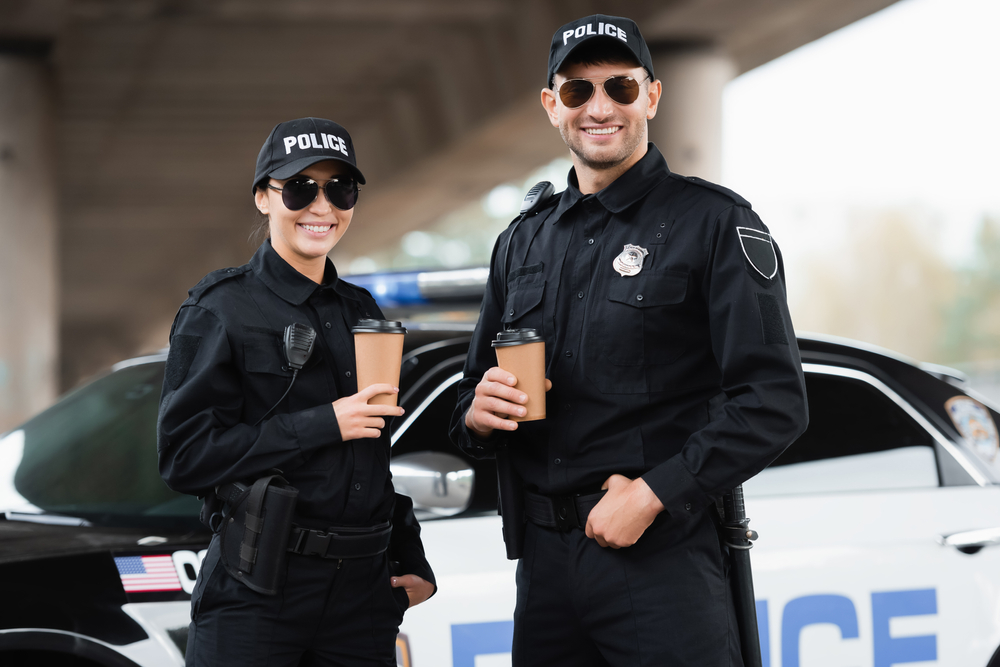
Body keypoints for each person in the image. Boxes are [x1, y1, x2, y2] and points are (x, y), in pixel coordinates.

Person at [449, 14, 808, 666]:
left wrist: (652, 493)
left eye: (619, 86)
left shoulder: (714, 223)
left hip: (661, 557)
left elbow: (774, 399)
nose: (600, 107)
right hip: (545, 567)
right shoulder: (520, 242)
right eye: (578, 90)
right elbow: (473, 398)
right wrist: (476, 414)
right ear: (551, 106)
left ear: (652, 96)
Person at [159, 117, 435, 667]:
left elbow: (370, 456)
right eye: (301, 188)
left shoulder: (363, 310)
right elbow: (184, 458)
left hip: (362, 599)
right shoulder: (218, 308)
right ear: (264, 197)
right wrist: (322, 423)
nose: (322, 206)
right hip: (257, 591)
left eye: (340, 188)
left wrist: (411, 554)